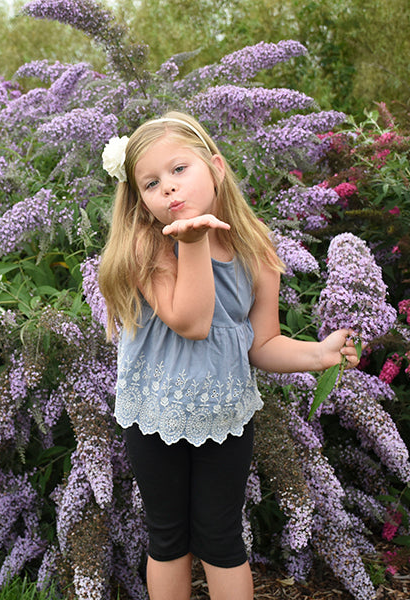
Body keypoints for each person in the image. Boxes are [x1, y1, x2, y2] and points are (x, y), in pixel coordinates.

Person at [97, 111, 360, 600]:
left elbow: (262, 343)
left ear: (215, 167)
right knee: (168, 538)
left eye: (180, 169)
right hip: (155, 414)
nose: (169, 189)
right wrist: (192, 242)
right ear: (140, 200)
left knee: (222, 538)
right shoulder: (144, 246)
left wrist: (317, 354)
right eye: (152, 183)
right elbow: (191, 322)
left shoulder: (252, 246)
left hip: (226, 415)